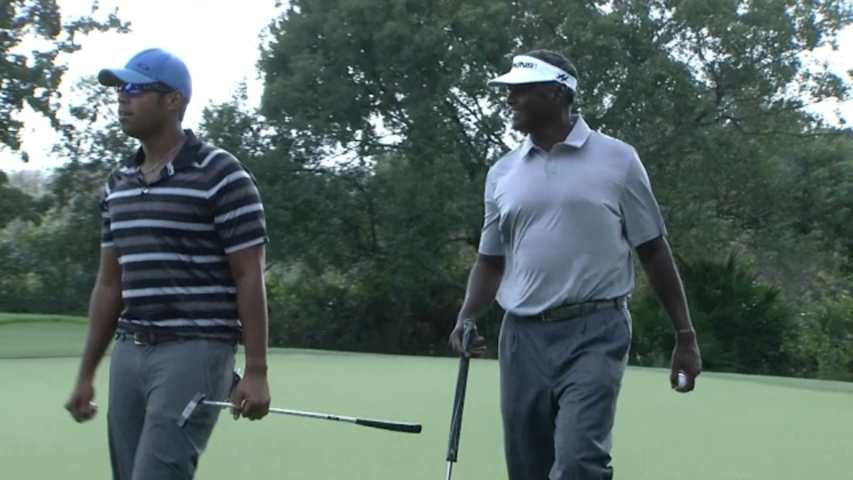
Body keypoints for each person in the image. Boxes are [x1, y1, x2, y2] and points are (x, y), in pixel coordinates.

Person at [449, 49, 702, 480]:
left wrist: (685, 334)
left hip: (595, 330)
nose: (509, 98)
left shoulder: (618, 160)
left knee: (579, 462)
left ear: (555, 92)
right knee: (528, 467)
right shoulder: (503, 173)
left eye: (520, 90)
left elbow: (654, 249)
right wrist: (467, 316)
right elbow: (490, 261)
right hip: (521, 338)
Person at [64, 47, 271, 479]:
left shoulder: (220, 174)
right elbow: (109, 285)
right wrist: (86, 375)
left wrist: (255, 370)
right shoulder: (118, 184)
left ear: (173, 100)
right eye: (120, 89)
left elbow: (249, 276)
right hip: (130, 349)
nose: (122, 98)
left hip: (194, 349)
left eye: (135, 89)